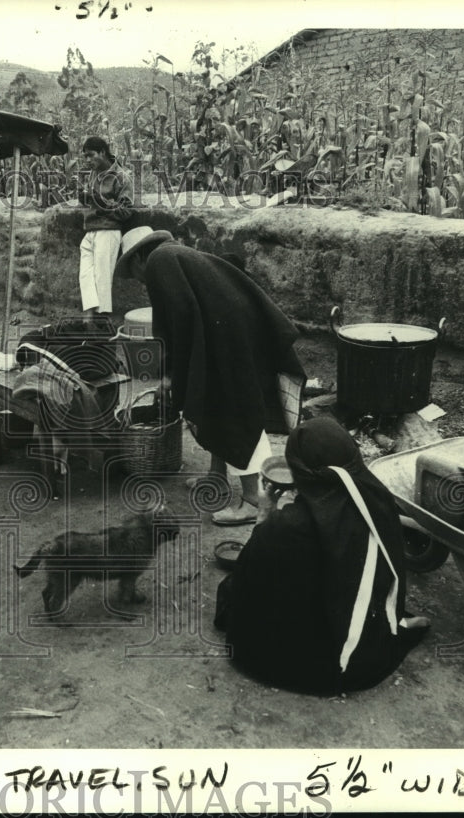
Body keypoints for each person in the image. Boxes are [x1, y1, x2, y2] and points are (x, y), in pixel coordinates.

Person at [214, 416, 430, 695]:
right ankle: (389, 627)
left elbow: (247, 577)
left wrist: (265, 514)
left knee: (238, 587)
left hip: (270, 658)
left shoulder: (287, 527)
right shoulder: (375, 499)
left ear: (298, 473)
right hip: (343, 629)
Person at [113, 226, 306, 525]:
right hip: (231, 330)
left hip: (229, 337)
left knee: (235, 413)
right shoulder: (178, 255)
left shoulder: (159, 262)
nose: (137, 279)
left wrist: (170, 374)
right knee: (212, 404)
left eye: (132, 270)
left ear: (139, 257)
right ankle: (216, 477)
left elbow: (176, 320)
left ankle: (253, 500)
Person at [77, 136, 133, 317]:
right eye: (85, 157)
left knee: (102, 279)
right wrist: (85, 198)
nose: (87, 160)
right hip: (90, 229)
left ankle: (100, 322)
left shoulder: (121, 176)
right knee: (85, 277)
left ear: (102, 152)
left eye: (90, 155)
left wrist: (103, 203)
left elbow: (126, 212)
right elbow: (93, 201)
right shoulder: (94, 174)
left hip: (108, 231)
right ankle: (89, 320)